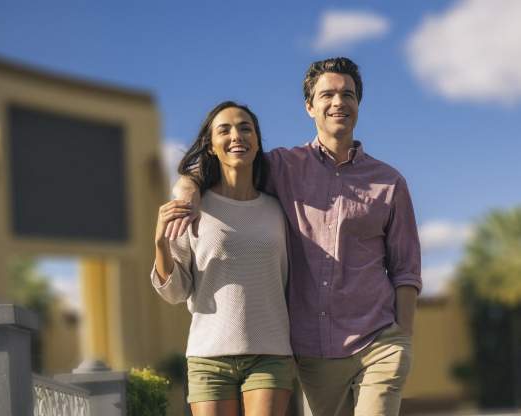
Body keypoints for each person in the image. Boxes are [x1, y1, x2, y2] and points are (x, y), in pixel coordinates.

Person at [169, 57, 422, 416]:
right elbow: (224, 163)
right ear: (309, 106)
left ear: (358, 104)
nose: (338, 102)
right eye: (327, 95)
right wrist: (186, 189)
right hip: (314, 350)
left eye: (347, 94)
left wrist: (403, 338)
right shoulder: (281, 167)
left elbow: (406, 269)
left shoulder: (390, 182)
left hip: (379, 339)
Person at [151, 101, 294, 416]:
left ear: (257, 141)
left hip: (270, 354)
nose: (236, 136)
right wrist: (160, 243)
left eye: (245, 128)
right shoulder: (192, 207)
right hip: (208, 357)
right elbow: (175, 292)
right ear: (212, 146)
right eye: (224, 129)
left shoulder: (279, 209)